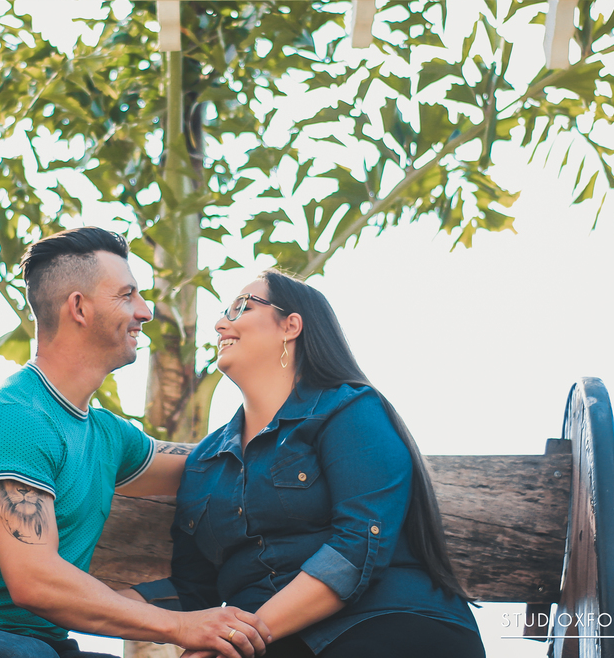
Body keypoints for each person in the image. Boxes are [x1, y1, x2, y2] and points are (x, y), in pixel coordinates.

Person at [0, 227, 271, 658]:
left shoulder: (108, 435)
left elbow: (209, 462)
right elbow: (35, 582)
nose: (144, 311)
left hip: (40, 646)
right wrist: (181, 626)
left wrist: (291, 416)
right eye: (127, 295)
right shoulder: (15, 416)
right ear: (79, 308)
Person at [158, 269, 485, 658]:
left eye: (242, 306)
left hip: (386, 622)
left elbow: (356, 548)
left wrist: (237, 639)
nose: (220, 324)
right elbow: (192, 590)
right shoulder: (204, 462)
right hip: (269, 644)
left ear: (291, 326)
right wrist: (95, 606)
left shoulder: (349, 410)